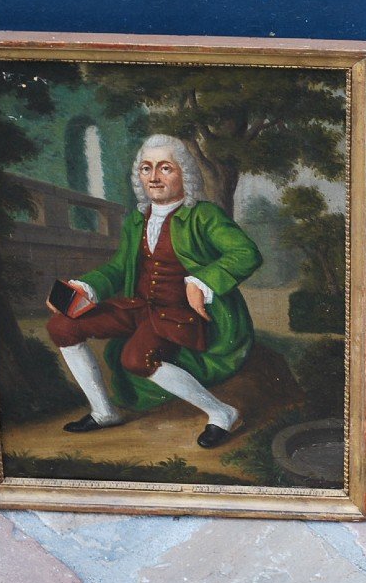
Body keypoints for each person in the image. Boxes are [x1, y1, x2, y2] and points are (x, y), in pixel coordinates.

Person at [45, 133, 262, 448]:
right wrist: (85, 286)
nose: (154, 177)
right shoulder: (137, 220)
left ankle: (222, 412)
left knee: (137, 358)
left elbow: (247, 253)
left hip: (181, 314)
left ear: (184, 174)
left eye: (165, 168)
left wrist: (202, 282)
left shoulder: (203, 216)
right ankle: (104, 411)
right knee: (62, 325)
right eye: (146, 169)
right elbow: (119, 268)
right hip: (139, 306)